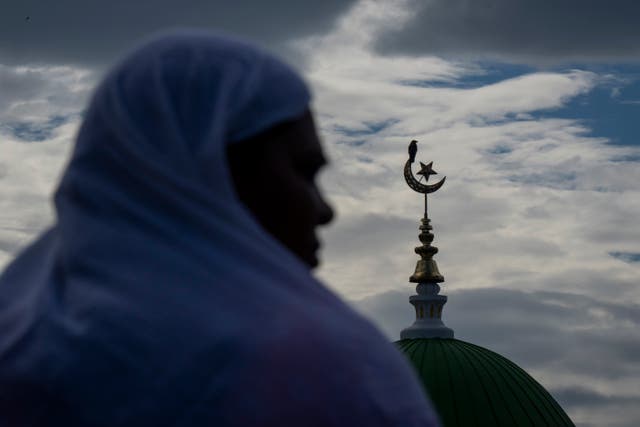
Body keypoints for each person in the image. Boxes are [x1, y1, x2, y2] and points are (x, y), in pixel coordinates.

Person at [0, 30, 440, 426]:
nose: (324, 210)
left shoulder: (20, 346)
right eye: (303, 172)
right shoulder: (324, 368)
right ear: (215, 176)